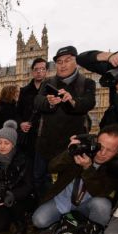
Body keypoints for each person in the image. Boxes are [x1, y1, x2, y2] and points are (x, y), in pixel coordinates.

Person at [32, 124, 118, 234]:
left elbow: (100, 192)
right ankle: (66, 222)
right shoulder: (83, 149)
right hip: (63, 199)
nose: (103, 153)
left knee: (102, 205)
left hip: (88, 205)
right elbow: (52, 167)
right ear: (96, 140)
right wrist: (69, 153)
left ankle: (93, 233)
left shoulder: (117, 166)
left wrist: (88, 168)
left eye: (110, 150)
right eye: (100, 147)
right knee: (39, 221)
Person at [33, 46, 96, 197]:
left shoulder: (86, 82)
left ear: (76, 62)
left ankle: (59, 211)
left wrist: (72, 101)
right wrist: (49, 102)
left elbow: (89, 102)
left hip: (70, 144)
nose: (63, 64)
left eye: (68, 60)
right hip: (46, 142)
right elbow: (37, 102)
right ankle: (42, 204)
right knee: (38, 178)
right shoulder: (48, 82)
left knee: (66, 181)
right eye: (59, 61)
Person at [0, 120, 34, 234]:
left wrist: (10, 195)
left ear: (13, 144)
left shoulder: (23, 160)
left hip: (19, 197)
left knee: (17, 210)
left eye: (6, 143)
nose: (2, 146)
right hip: (1, 199)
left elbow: (28, 186)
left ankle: (21, 224)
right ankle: (8, 217)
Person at [16, 57, 47, 158]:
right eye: (36, 69)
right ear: (32, 72)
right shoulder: (24, 91)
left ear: (46, 71)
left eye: (42, 69)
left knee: (42, 169)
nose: (39, 72)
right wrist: (21, 123)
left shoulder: (51, 90)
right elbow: (17, 111)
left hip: (45, 136)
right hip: (28, 135)